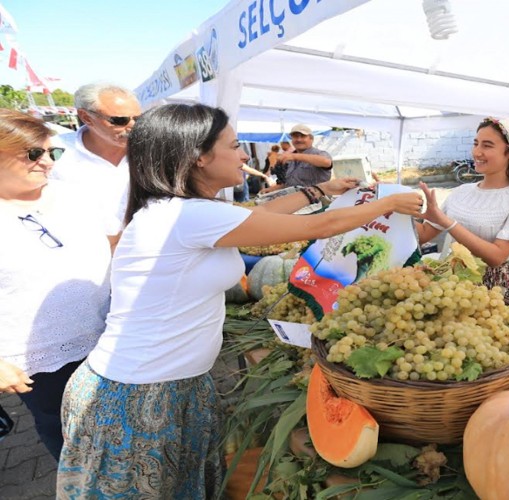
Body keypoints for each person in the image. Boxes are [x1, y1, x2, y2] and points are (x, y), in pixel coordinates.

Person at [57, 103, 423, 497]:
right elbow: (320, 226)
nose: (245, 156)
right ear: (198, 157)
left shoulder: (182, 212)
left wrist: (319, 190)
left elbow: (256, 214)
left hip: (172, 384)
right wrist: (387, 203)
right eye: (234, 146)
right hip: (139, 394)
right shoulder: (186, 216)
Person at [0, 109, 112, 461]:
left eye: (53, 152)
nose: (48, 162)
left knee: (119, 424)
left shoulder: (71, 195)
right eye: (34, 154)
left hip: (108, 332)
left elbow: (112, 241)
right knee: (69, 434)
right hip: (40, 359)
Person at [416, 117, 509, 303]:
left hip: (496, 288)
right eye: (476, 143)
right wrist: (388, 202)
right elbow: (422, 234)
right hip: (456, 280)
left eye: (487, 145)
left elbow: (496, 257)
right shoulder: (461, 192)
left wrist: (448, 223)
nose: (477, 152)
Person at [50, 82, 141, 241]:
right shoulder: (52, 151)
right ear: (86, 117)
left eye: (138, 119)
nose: (132, 126)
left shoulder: (150, 149)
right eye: (120, 120)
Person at [260, 124, 332, 192]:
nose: (299, 139)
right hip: (294, 200)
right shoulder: (290, 159)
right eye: (295, 136)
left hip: (317, 202)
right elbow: (289, 184)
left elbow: (326, 162)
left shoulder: (319, 153)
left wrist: (295, 156)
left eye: (303, 136)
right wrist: (271, 190)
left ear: (311, 139)